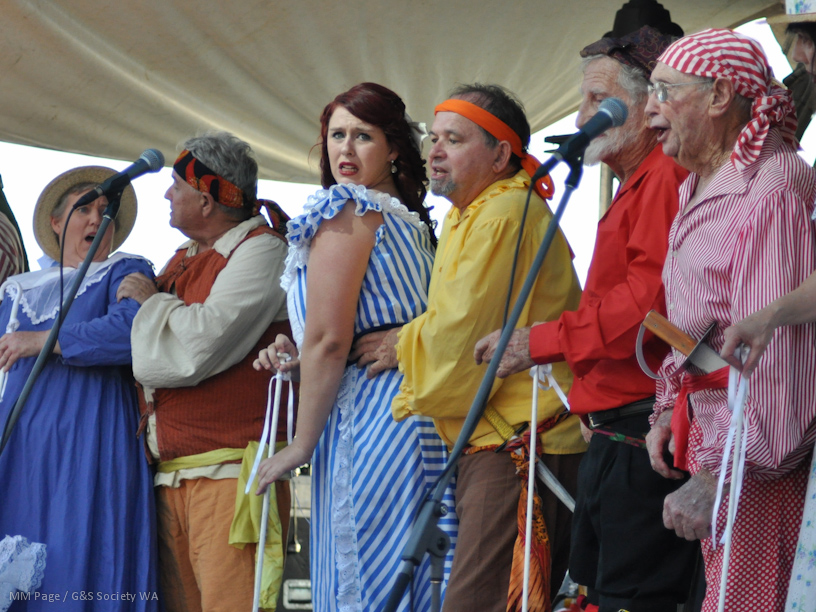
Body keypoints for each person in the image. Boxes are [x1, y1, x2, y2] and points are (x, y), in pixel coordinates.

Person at [473, 26, 700, 612]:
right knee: (601, 594)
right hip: (612, 433)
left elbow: (647, 311)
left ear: (649, 106)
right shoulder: (639, 183)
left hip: (638, 435)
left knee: (631, 598)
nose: (581, 118)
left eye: (599, 103)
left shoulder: (665, 179)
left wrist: (540, 341)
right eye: (584, 102)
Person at [353, 83, 584, 612]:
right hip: (504, 438)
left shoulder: (505, 212)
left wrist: (399, 343)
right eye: (434, 138)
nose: (434, 151)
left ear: (501, 154)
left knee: (477, 603)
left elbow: (462, 341)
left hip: (520, 442)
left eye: (453, 140)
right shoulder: (471, 212)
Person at [253, 82, 456, 612]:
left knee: (364, 582)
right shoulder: (408, 221)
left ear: (393, 148)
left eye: (362, 136)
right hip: (416, 414)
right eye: (336, 135)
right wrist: (304, 358)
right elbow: (335, 337)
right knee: (412, 579)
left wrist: (299, 445)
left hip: (370, 419)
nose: (344, 149)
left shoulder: (350, 208)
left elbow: (328, 337)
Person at [643, 29, 816, 612]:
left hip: (756, 469)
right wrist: (668, 408)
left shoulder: (772, 188)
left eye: (665, 91)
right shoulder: (699, 185)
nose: (648, 108)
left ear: (720, 96)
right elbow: (691, 332)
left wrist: (724, 474)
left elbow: (781, 364)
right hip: (715, 448)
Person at [121, 131, 293, 612]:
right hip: (169, 479)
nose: (166, 194)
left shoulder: (262, 250)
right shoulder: (184, 259)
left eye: (176, 185)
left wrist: (148, 302)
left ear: (206, 196)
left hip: (229, 475)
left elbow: (201, 343)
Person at [0, 166, 159, 609]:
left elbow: (128, 332)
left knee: (84, 551)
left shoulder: (125, 270)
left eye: (105, 211)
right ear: (56, 222)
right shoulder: (16, 290)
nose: (96, 219)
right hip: (23, 445)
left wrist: (42, 341)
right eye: (84, 208)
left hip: (93, 435)